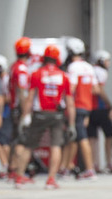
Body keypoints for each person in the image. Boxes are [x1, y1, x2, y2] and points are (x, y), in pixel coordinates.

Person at [13, 45, 75, 190]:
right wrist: (71, 124)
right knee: (56, 145)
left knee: (29, 144)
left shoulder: (36, 74)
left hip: (39, 114)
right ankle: (51, 179)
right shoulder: (64, 76)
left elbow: (30, 98)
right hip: (57, 115)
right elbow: (70, 103)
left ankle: (19, 177)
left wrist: (25, 117)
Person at [63, 38, 99, 180]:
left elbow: (71, 88)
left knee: (80, 137)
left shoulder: (73, 67)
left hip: (76, 106)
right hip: (87, 106)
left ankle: (89, 169)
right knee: (74, 138)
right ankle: (67, 167)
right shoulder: (89, 67)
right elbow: (95, 89)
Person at [86, 50, 112, 173]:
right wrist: (109, 104)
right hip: (100, 108)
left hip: (90, 108)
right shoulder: (101, 72)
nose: (108, 63)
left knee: (92, 138)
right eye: (107, 60)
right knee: (110, 135)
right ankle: (109, 162)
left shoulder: (90, 70)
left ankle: (94, 163)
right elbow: (99, 90)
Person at [7, 37, 33, 180]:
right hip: (19, 107)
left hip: (14, 107)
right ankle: (18, 172)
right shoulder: (22, 69)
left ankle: (12, 169)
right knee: (21, 139)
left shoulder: (14, 66)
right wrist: (25, 112)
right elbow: (22, 92)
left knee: (15, 138)